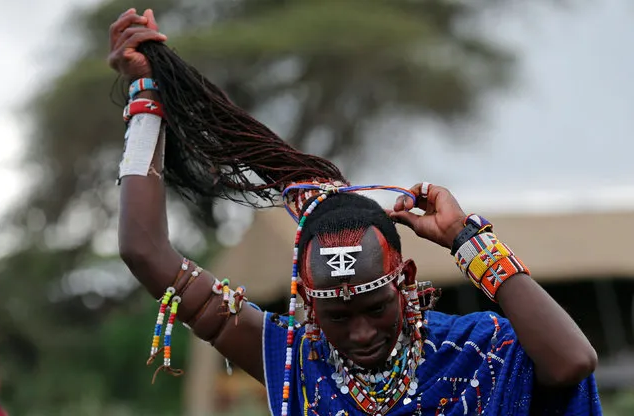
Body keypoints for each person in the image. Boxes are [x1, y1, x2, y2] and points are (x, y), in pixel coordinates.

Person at [108, 8, 601, 415]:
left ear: (405, 279)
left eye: (376, 307)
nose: (362, 334)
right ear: (308, 305)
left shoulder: (475, 352)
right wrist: (146, 95)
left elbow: (572, 362)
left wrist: (465, 238)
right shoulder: (296, 360)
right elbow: (144, 251)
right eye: (338, 317)